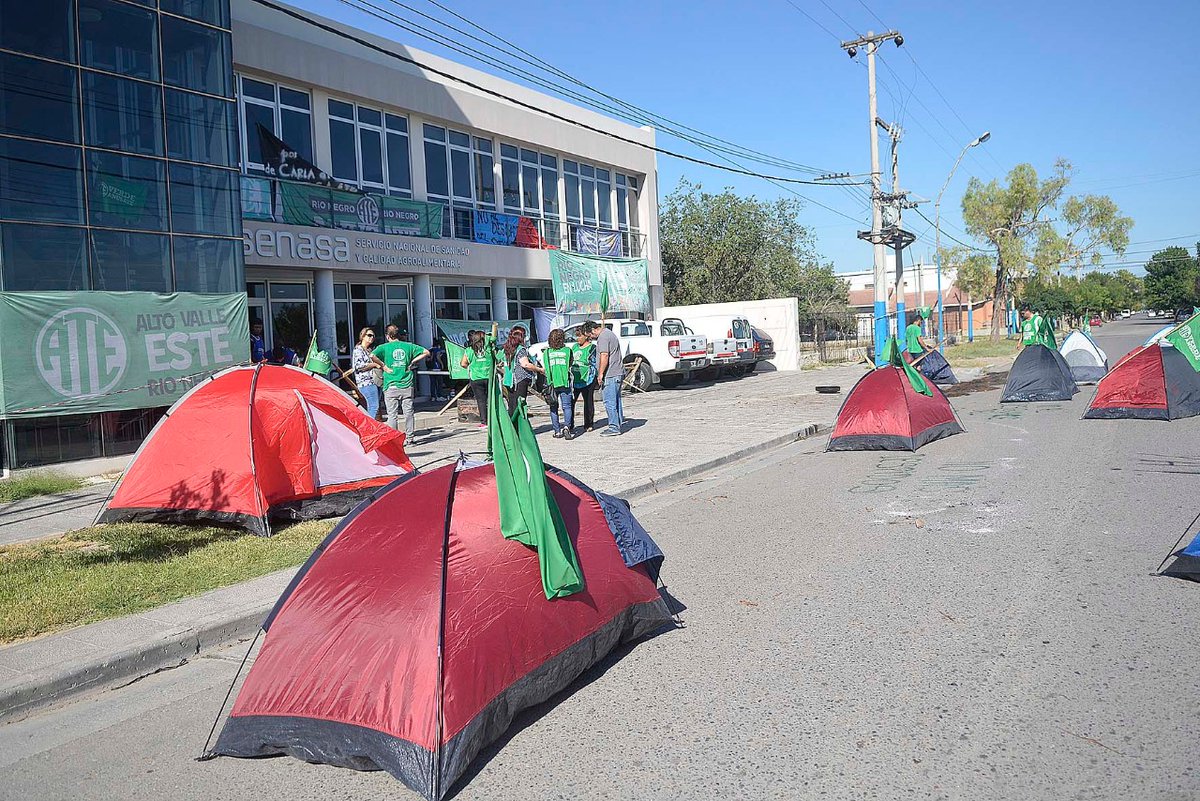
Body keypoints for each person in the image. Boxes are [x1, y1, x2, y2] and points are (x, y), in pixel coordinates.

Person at [370, 324, 428, 441]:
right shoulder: (408, 346)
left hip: (391, 384)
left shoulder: (384, 347)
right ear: (399, 335)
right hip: (406, 384)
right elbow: (426, 352)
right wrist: (412, 361)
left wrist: (384, 366)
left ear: (387, 336)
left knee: (392, 415)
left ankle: (395, 438)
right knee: (408, 412)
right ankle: (410, 437)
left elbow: (372, 355)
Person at [586, 320, 625, 436]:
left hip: (611, 374)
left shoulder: (603, 337)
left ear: (593, 330)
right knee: (616, 400)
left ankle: (614, 427)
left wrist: (600, 373)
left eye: (590, 336)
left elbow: (604, 355)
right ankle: (618, 422)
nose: (591, 339)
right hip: (617, 372)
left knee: (609, 401)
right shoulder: (609, 333)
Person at [502, 325, 543, 416]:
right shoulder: (520, 350)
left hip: (509, 380)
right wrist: (539, 369)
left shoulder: (506, 349)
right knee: (520, 405)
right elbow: (525, 364)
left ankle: (512, 427)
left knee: (512, 405)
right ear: (521, 337)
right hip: (519, 380)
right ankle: (520, 427)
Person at [544, 329, 575, 439]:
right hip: (565, 382)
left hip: (552, 383)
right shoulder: (567, 350)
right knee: (567, 406)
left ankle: (557, 431)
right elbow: (571, 363)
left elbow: (546, 369)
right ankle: (567, 427)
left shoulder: (547, 352)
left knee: (553, 407)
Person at [461, 329, 492, 428]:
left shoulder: (469, 350)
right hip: (489, 377)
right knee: (491, 399)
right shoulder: (489, 349)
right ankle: (493, 419)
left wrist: (471, 367)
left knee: (481, 400)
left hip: (476, 378)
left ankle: (484, 421)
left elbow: (463, 363)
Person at [350, 328, 381, 420]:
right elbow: (359, 366)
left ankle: (370, 426)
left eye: (373, 336)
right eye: (369, 335)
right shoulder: (358, 350)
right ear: (362, 336)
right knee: (374, 406)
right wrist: (374, 364)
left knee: (374, 406)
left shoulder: (369, 350)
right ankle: (370, 428)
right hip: (366, 382)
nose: (371, 337)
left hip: (374, 381)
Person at [569, 327, 597, 434]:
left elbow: (594, 363)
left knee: (588, 402)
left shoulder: (592, 348)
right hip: (575, 379)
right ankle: (570, 424)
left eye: (580, 336)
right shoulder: (574, 347)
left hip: (587, 379)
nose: (578, 339)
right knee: (571, 402)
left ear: (586, 336)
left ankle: (588, 423)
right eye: (576, 336)